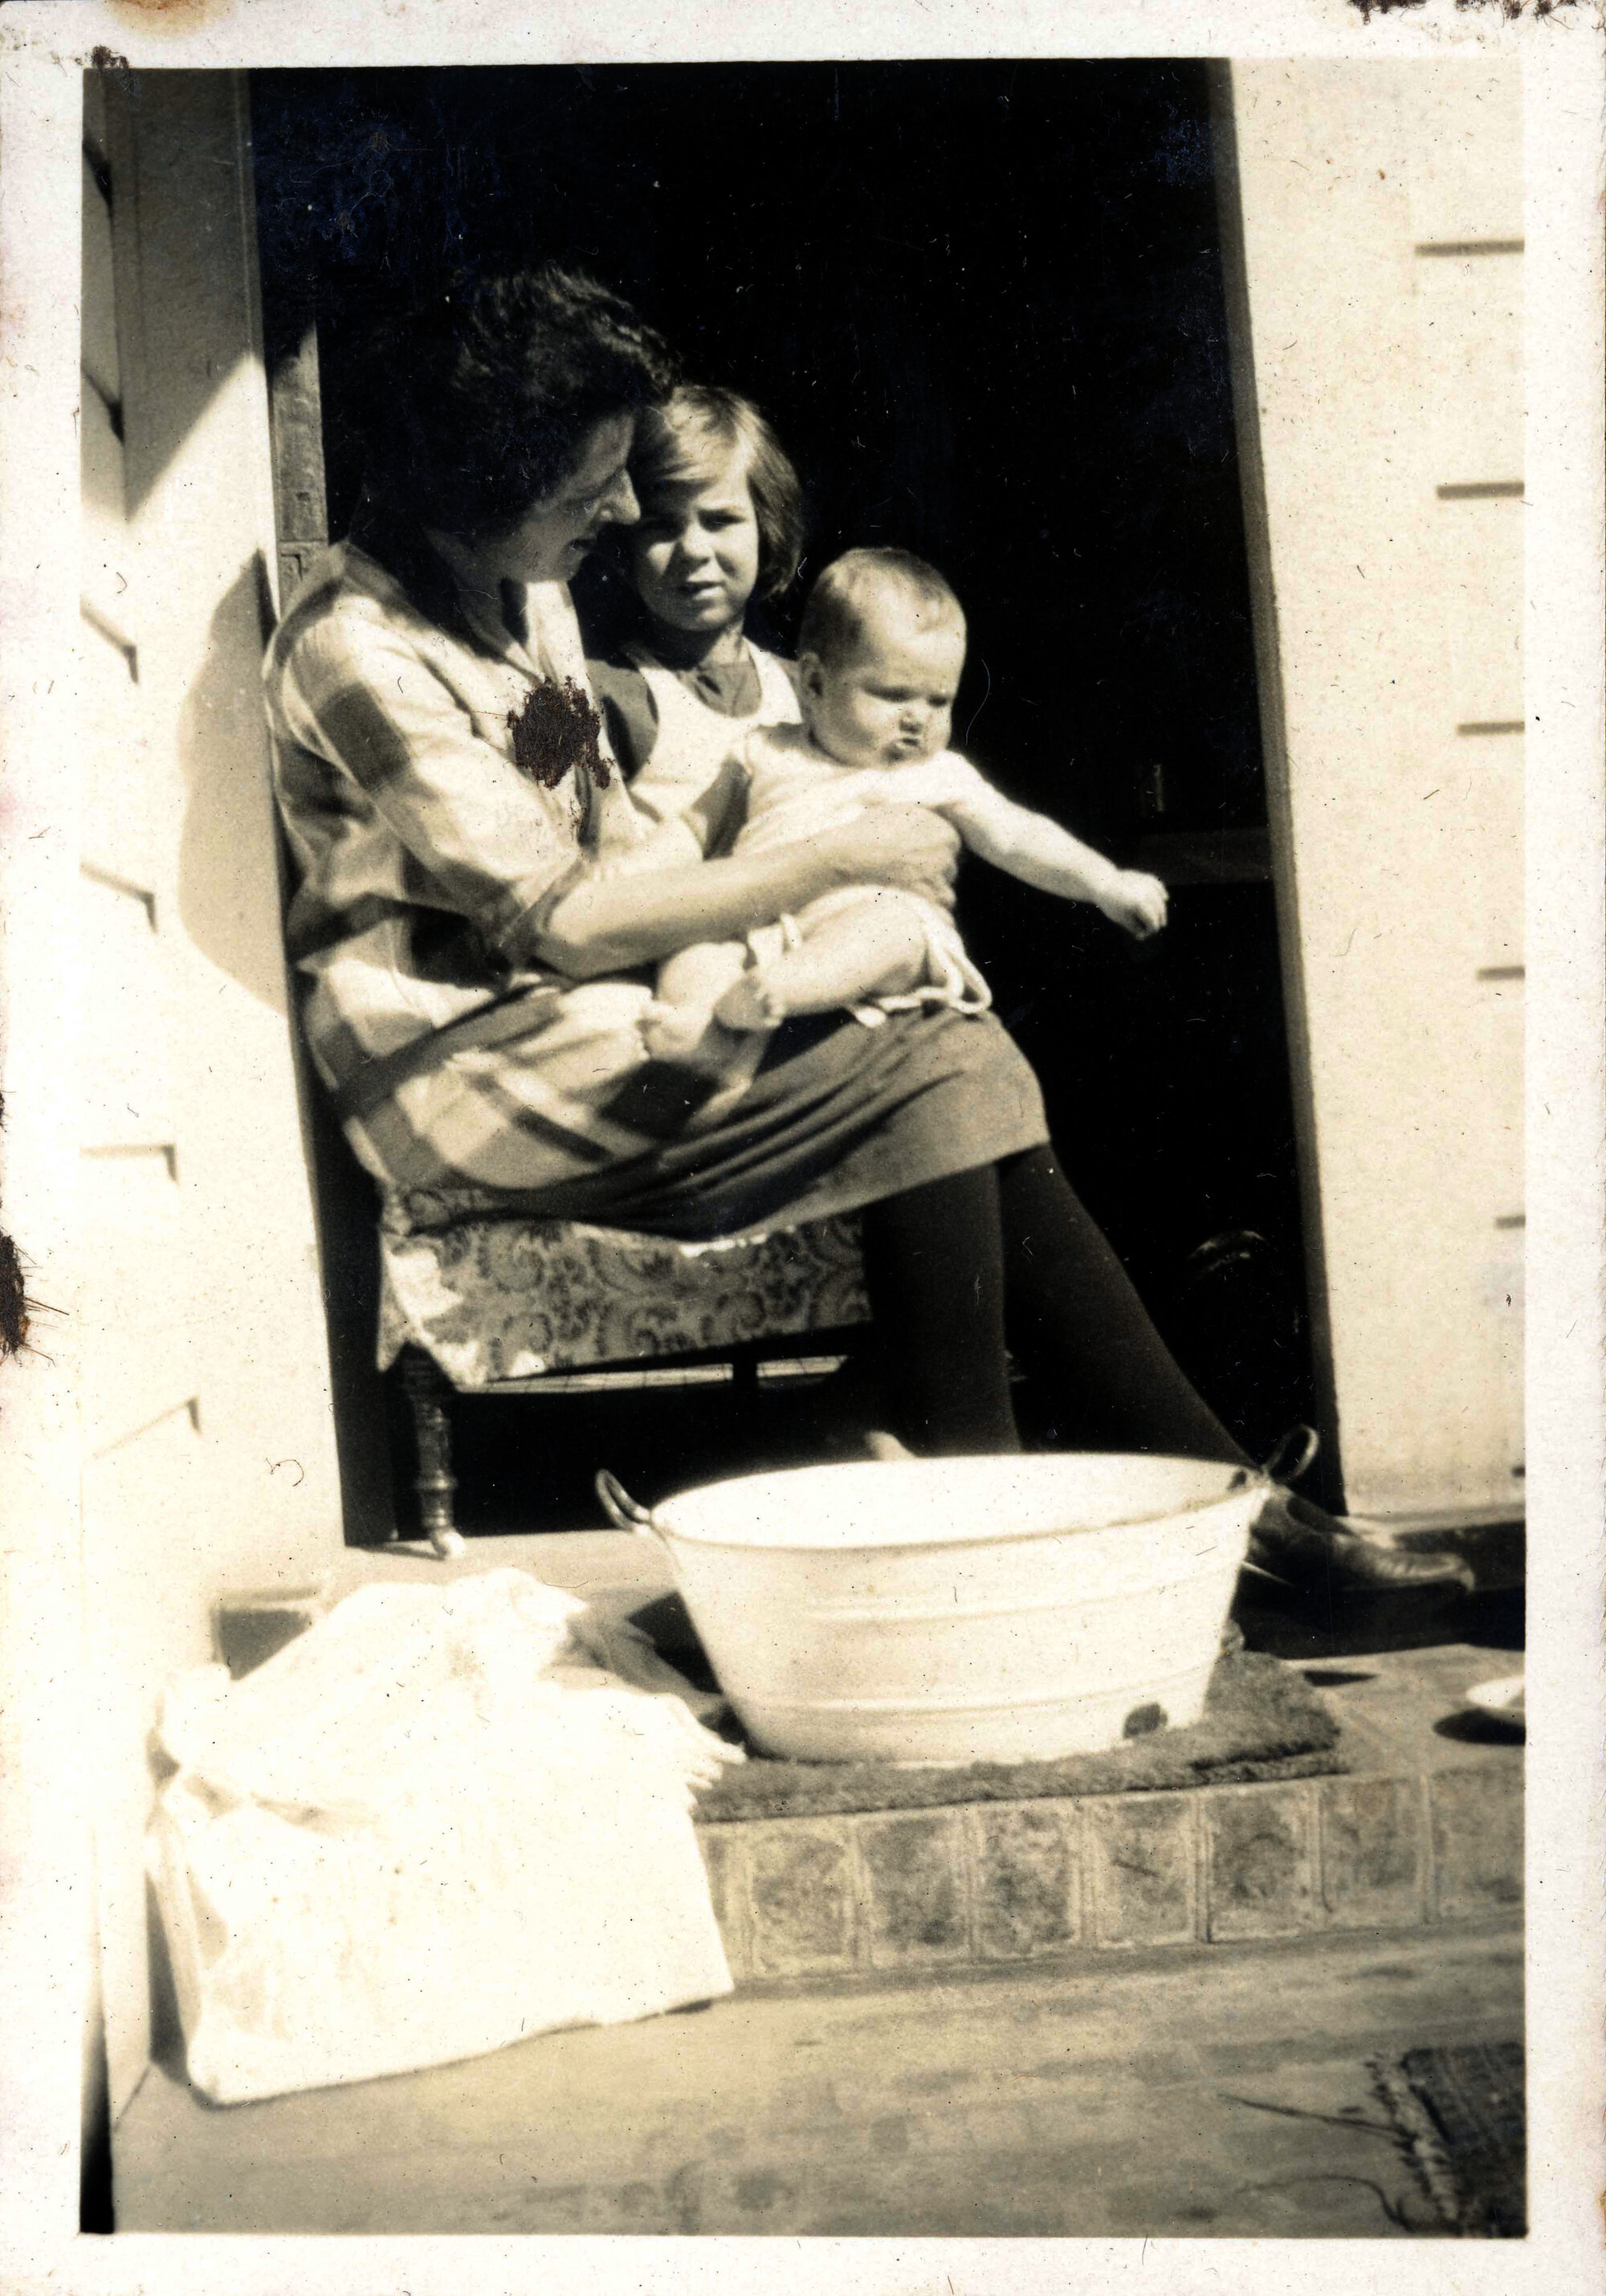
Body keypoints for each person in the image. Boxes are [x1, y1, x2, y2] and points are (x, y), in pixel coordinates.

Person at [263, 263, 1469, 1601]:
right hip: (481, 1069)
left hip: (600, 1015)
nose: (621, 508)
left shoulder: (521, 590)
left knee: (945, 1040)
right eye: (597, 480)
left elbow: (586, 817)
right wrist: (827, 857)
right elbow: (551, 917)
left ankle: (1108, 1506)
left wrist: (777, 868)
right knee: (947, 1063)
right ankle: (1091, 1521)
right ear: (491, 478)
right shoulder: (359, 649)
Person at [639, 548, 1170, 1079]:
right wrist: (635, 870)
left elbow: (1018, 836)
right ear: (815, 683)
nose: (917, 719)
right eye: (893, 694)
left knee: (894, 928)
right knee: (697, 947)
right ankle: (699, 1032)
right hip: (761, 928)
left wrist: (1105, 881)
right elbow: (693, 828)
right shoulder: (763, 750)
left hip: (871, 929)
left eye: (939, 700)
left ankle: (782, 989)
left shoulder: (937, 773)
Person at [585, 385, 805, 811]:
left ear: (766, 527)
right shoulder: (609, 696)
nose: (693, 550)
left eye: (720, 520)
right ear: (625, 543)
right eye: (662, 526)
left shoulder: (803, 690)